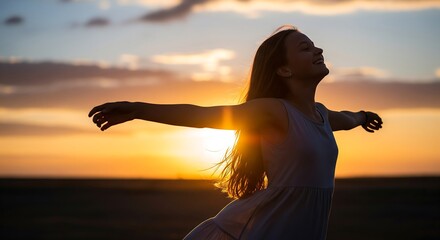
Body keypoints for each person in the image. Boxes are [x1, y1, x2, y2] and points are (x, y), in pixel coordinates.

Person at [88, 25, 383, 240]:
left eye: (315, 45)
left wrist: (363, 116)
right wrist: (138, 109)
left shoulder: (320, 113)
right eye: (305, 48)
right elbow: (203, 115)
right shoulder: (273, 111)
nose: (318, 49)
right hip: (265, 229)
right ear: (284, 71)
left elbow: (345, 118)